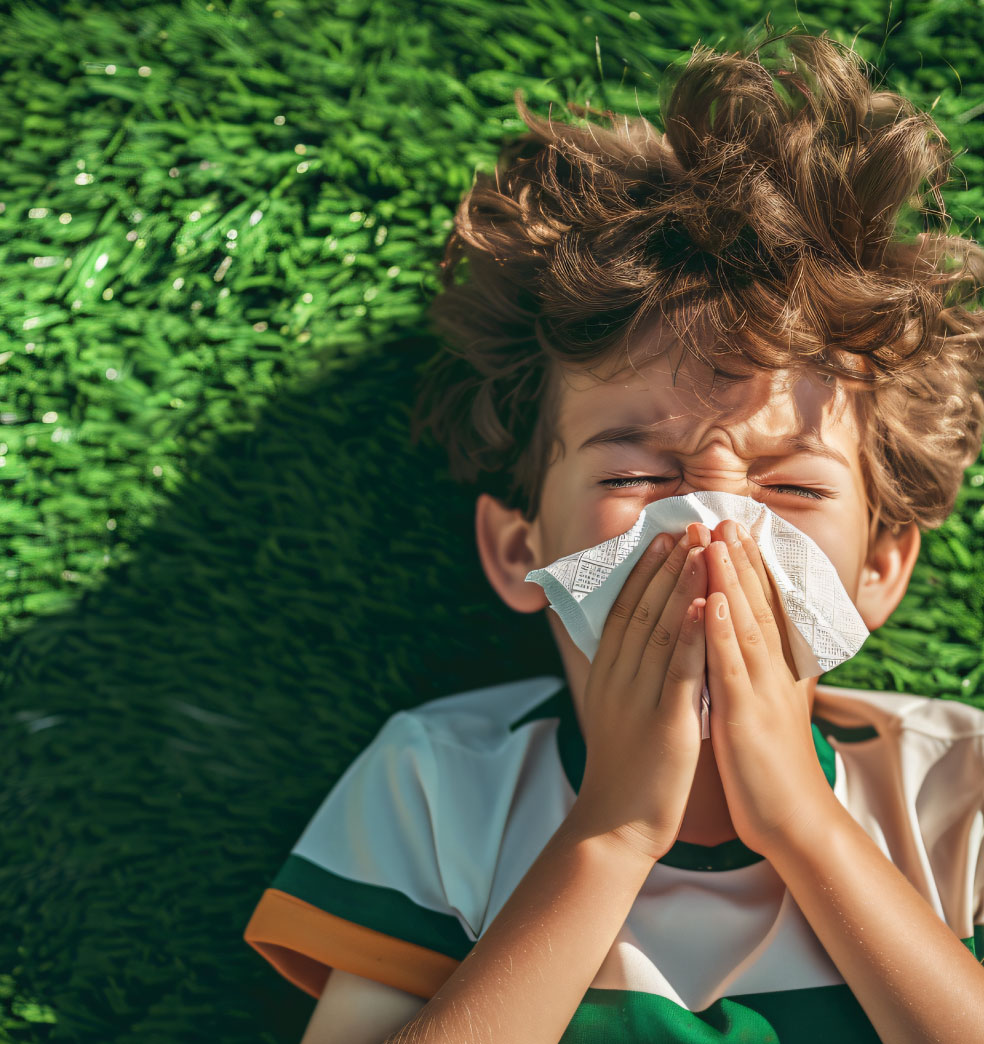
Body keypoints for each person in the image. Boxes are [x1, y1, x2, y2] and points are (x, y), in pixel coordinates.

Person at [243, 25, 984, 1043]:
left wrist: (803, 823)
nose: (715, 531)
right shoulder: (441, 784)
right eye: (637, 476)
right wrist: (615, 830)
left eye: (790, 486)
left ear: (880, 569)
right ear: (521, 551)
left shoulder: (953, 788)